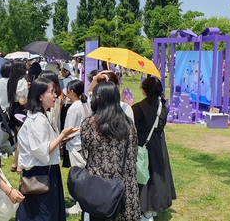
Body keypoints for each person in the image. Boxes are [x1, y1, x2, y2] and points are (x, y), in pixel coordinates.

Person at [16, 78, 79, 221]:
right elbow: (42, 151)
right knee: (43, 213)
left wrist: (61, 140)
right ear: (40, 96)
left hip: (44, 170)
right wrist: (62, 135)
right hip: (40, 173)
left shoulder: (40, 116)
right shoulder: (38, 119)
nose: (55, 95)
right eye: (51, 92)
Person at [80, 82, 139, 221]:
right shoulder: (129, 123)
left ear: (98, 99)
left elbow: (85, 153)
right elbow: (134, 151)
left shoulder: (89, 124)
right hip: (126, 186)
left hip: (101, 187)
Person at [132, 78, 176, 220]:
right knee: (157, 175)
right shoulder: (163, 106)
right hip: (158, 143)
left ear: (144, 91)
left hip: (143, 144)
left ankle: (147, 210)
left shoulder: (138, 108)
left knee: (144, 175)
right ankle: (155, 206)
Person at [63, 80, 90, 216]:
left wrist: (61, 142)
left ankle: (79, 205)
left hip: (75, 145)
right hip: (84, 145)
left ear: (72, 92)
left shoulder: (73, 107)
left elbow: (68, 130)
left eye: (67, 90)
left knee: (78, 177)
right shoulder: (86, 103)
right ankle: (79, 201)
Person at [7, 61, 28, 173]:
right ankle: (18, 164)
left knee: (19, 138)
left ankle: (15, 164)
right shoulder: (22, 81)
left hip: (12, 110)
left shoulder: (11, 80)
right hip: (20, 111)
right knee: (22, 139)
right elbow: (22, 101)